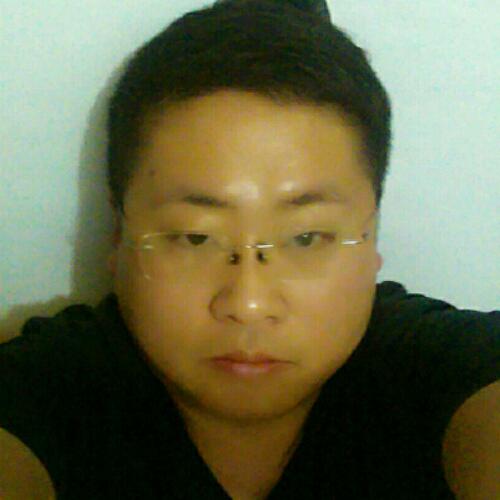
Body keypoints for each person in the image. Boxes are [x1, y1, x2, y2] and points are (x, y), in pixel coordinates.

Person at [1, 1, 498, 498]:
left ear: (372, 238)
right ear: (119, 236)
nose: (249, 304)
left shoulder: (438, 372)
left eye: (305, 237)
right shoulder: (48, 393)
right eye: (196, 237)